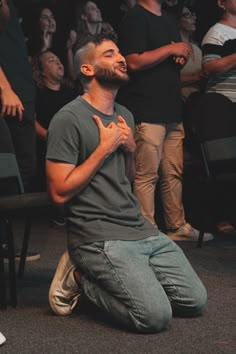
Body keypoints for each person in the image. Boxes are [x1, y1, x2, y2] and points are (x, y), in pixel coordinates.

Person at [46, 34, 207, 333]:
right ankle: (80, 279)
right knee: (155, 316)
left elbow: (127, 179)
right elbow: (57, 193)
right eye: (109, 54)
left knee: (194, 301)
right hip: (98, 235)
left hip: (140, 229)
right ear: (87, 70)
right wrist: (103, 148)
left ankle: (130, 277)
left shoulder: (125, 116)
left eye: (120, 52)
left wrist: (129, 151)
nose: (121, 58)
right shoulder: (68, 118)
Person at [117, 0, 213, 241]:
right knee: (147, 174)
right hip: (147, 107)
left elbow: (171, 53)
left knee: (173, 171)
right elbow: (133, 61)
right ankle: (146, 230)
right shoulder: (136, 17)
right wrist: (171, 51)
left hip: (171, 106)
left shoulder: (168, 19)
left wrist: (178, 56)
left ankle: (176, 225)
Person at [0, 0, 40, 261]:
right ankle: (4, 245)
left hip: (22, 94)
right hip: (9, 95)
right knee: (8, 173)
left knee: (24, 170)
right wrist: (5, 88)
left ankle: (6, 244)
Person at [200, 0, 236, 234]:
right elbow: (209, 67)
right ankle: (225, 217)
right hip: (224, 107)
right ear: (222, 3)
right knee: (227, 166)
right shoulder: (216, 33)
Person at [32, 50, 77, 225]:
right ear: (42, 71)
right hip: (47, 144)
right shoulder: (37, 93)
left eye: (59, 59)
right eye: (52, 60)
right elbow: (32, 121)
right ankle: (57, 211)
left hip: (72, 144)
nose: (59, 63)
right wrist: (51, 138)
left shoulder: (71, 92)